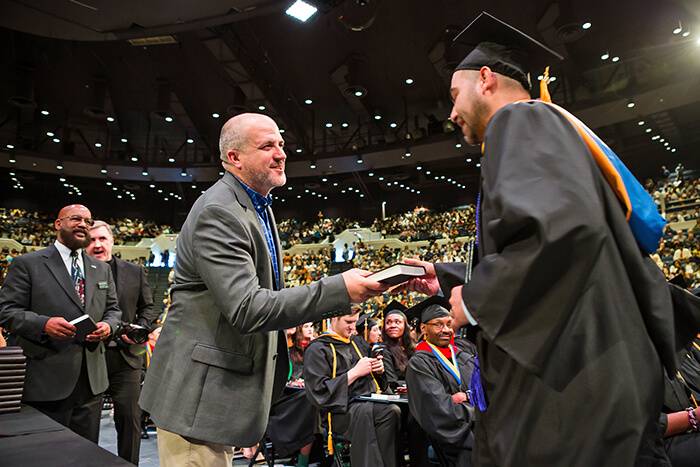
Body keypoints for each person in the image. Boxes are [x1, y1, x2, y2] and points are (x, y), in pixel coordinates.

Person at [404, 12, 677, 467]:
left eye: (454, 95)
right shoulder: (547, 127)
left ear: (486, 79)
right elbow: (547, 237)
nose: (450, 112)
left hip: (572, 396)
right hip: (596, 383)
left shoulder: (521, 120)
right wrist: (448, 276)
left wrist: (472, 299)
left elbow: (563, 230)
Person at [139, 113, 389, 467]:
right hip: (196, 399)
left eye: (281, 144)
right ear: (234, 158)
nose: (281, 153)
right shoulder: (219, 211)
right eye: (267, 145)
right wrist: (338, 289)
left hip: (215, 396)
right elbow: (247, 308)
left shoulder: (255, 205)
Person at [0, 204, 121, 442]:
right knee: (48, 454)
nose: (83, 225)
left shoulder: (101, 268)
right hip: (47, 379)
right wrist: (44, 324)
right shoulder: (28, 263)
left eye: (88, 221)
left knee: (87, 454)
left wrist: (109, 326)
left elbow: (113, 310)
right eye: (76, 219)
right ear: (58, 224)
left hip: (91, 382)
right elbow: (6, 311)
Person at [86, 220, 159, 465]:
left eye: (102, 239)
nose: (97, 245)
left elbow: (149, 308)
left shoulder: (134, 271)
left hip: (126, 356)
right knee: (87, 423)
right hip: (89, 356)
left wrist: (141, 328)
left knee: (129, 420)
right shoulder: (77, 273)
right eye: (91, 239)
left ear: (112, 241)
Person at [304, 312, 400, 467]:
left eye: (354, 322)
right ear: (334, 318)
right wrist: (354, 373)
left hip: (368, 402)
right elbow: (319, 393)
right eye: (348, 321)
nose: (353, 327)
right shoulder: (318, 349)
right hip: (339, 413)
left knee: (400, 410)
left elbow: (377, 383)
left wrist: (378, 371)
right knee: (387, 412)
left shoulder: (358, 343)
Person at [404, 296, 475, 467]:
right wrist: (477, 411)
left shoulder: (464, 357)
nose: (446, 330)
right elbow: (439, 409)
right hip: (455, 436)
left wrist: (465, 398)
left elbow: (486, 392)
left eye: (449, 324)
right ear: (423, 328)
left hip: (478, 425)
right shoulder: (419, 363)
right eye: (438, 324)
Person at [381, 300, 415, 388]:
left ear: (405, 326)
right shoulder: (383, 350)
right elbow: (391, 381)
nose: (392, 325)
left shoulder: (412, 348)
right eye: (388, 322)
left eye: (397, 322)